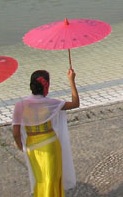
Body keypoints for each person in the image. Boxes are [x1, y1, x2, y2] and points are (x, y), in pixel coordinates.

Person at [12, 69, 80, 197]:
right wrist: (71, 81)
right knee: (52, 179)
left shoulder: (20, 105)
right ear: (46, 85)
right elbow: (75, 103)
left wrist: (21, 146)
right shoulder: (51, 103)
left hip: (31, 146)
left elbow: (16, 133)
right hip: (50, 144)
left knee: (41, 179)